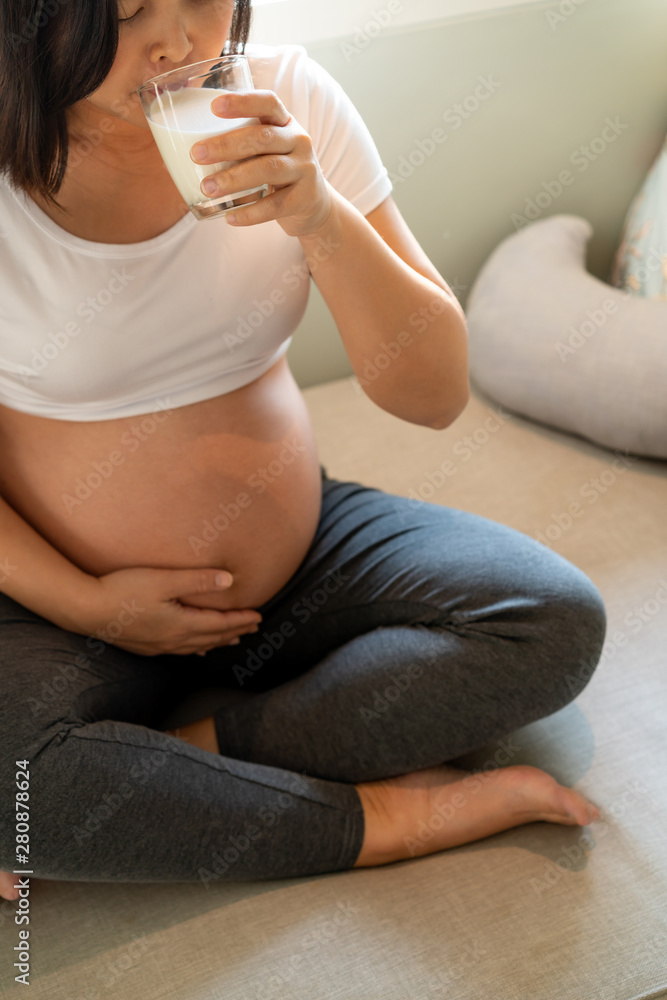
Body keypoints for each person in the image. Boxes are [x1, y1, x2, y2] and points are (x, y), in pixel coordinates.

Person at [0, 0, 606, 902]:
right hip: (61, 601)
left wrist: (318, 213)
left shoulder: (284, 97)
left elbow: (433, 395)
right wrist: (88, 605)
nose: (179, 42)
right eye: (127, 12)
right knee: (16, 787)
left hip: (301, 556)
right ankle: (388, 821)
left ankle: (177, 768)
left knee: (550, 621)